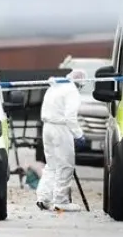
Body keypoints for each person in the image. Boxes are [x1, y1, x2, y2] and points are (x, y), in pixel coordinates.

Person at [36, 69, 88, 212]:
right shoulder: (72, 91)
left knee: (52, 165)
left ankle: (44, 198)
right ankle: (61, 201)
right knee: (65, 165)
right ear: (80, 83)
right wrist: (78, 135)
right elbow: (70, 117)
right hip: (61, 129)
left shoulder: (54, 87)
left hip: (47, 127)